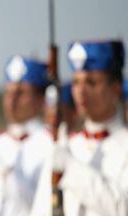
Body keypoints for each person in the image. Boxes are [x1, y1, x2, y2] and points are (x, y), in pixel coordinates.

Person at [59, 40, 128, 216]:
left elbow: (122, 208)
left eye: (91, 82)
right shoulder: (68, 145)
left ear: (116, 88)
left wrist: (71, 168)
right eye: (76, 82)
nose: (80, 91)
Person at [0, 55, 53, 216]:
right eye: (9, 92)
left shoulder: (50, 143)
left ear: (41, 98)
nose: (12, 100)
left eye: (21, 93)